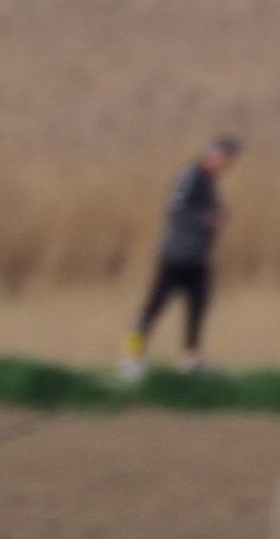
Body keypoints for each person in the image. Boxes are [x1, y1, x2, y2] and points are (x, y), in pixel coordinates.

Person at [120, 136, 240, 380]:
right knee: (153, 307)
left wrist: (218, 216)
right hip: (176, 257)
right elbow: (175, 207)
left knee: (198, 305)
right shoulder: (191, 175)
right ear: (212, 154)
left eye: (230, 161)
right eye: (225, 159)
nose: (226, 165)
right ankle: (130, 358)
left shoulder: (208, 181)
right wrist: (205, 219)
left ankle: (192, 359)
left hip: (197, 259)